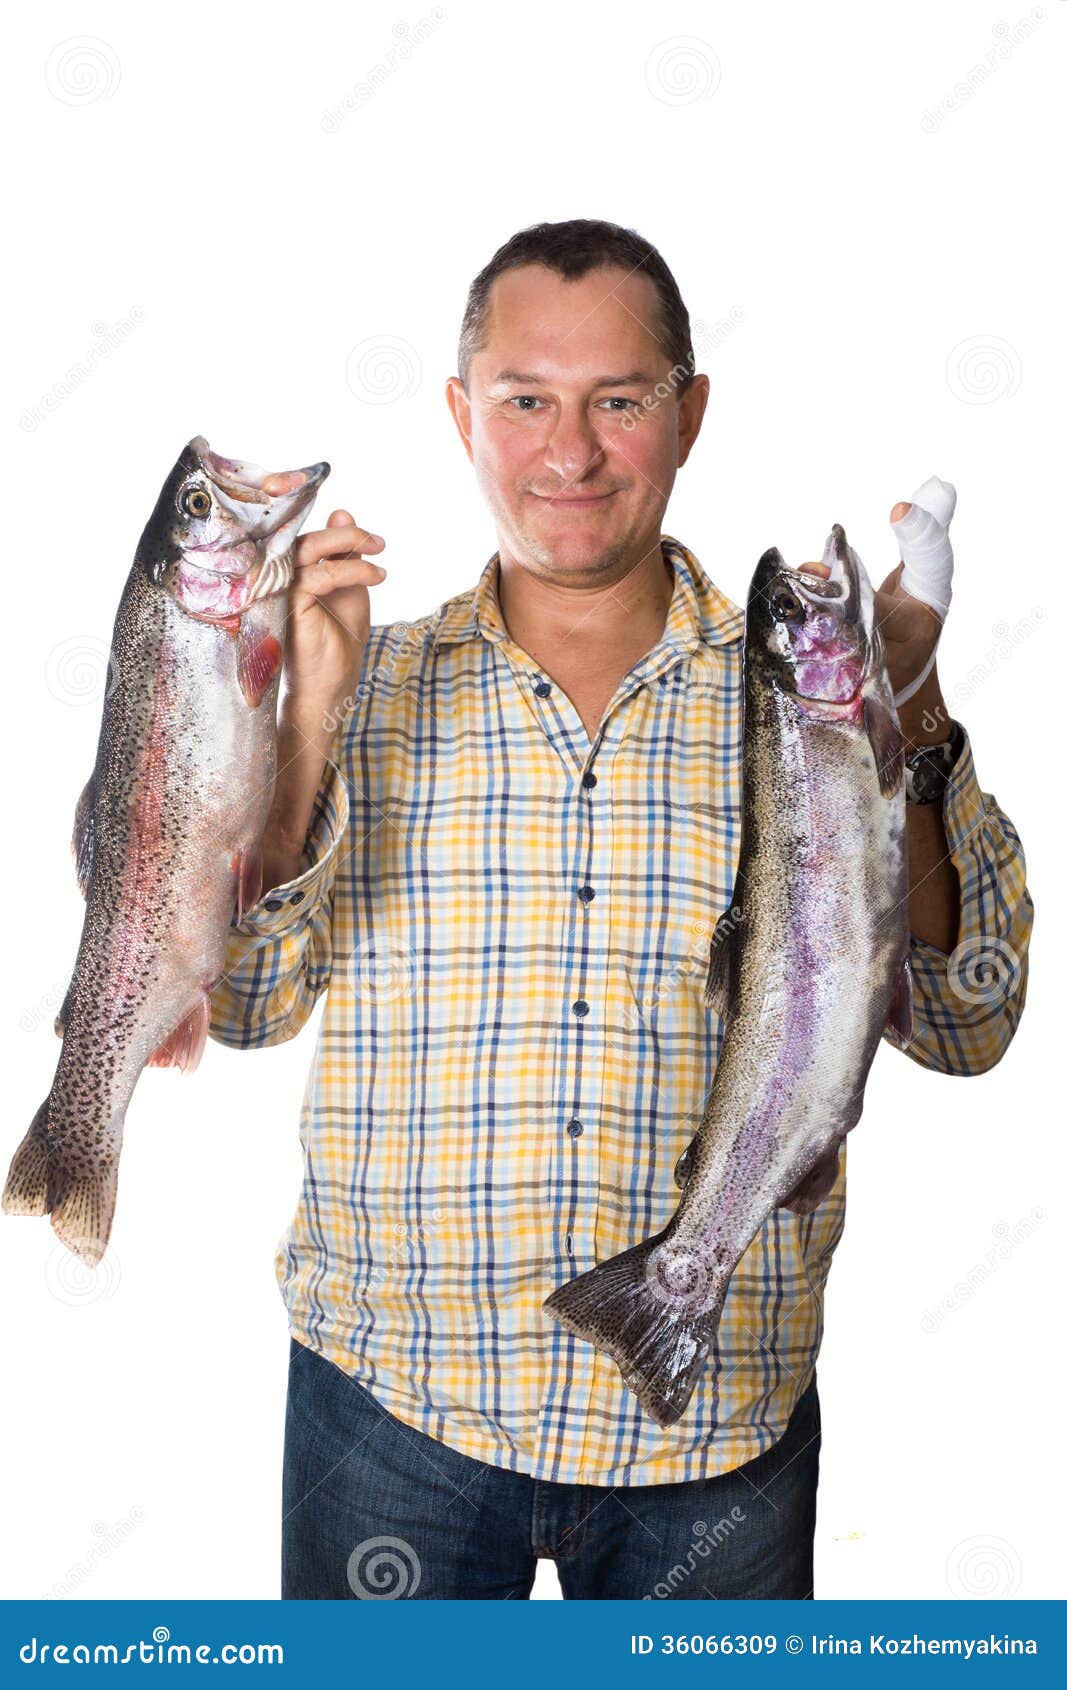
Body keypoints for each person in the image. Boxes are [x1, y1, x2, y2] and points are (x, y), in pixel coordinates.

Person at [209, 220, 1032, 1601]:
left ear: (690, 411)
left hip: (720, 1425)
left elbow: (967, 1021)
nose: (570, 453)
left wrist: (915, 717)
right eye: (526, 399)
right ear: (465, 415)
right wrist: (302, 724)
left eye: (620, 400)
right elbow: (236, 1006)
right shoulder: (373, 676)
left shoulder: (805, 696)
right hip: (391, 1402)